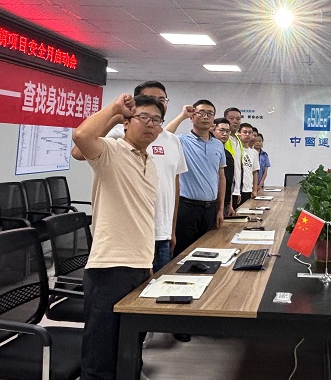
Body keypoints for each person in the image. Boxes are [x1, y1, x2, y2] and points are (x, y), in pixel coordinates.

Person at [73, 93, 165, 380]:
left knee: (130, 348)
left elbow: (143, 216)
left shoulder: (150, 162)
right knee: (101, 356)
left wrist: (147, 263)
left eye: (156, 120)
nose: (150, 124)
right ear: (126, 122)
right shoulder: (111, 152)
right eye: (143, 117)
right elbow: (81, 137)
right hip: (109, 268)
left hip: (139, 265)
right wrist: (114, 109)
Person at [71, 81, 186, 273]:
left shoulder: (153, 157)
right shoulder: (115, 143)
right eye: (144, 115)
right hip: (114, 255)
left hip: (153, 240)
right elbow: (80, 145)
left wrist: (171, 229)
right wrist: (115, 112)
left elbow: (172, 187)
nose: (157, 104)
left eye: (161, 100)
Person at [173, 99, 228, 258]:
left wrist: (220, 209)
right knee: (183, 254)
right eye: (201, 113)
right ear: (192, 117)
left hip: (210, 210)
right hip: (187, 208)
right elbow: (162, 137)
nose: (206, 116)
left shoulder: (218, 145)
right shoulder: (181, 141)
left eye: (210, 114)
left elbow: (221, 177)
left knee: (209, 252)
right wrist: (182, 115)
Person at [212, 117, 235, 217]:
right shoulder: (209, 152)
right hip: (211, 203)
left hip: (225, 204)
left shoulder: (228, 155)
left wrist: (230, 204)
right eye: (221, 130)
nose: (225, 134)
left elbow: (229, 181)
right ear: (212, 130)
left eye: (227, 131)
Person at [223, 107, 245, 209]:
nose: (235, 121)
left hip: (235, 189)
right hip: (226, 189)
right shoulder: (222, 139)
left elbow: (238, 167)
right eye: (231, 118)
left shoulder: (238, 139)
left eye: (238, 119)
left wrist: (237, 191)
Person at [235, 122, 260, 203]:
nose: (247, 134)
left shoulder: (254, 152)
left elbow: (255, 172)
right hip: (236, 189)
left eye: (250, 132)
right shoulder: (236, 149)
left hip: (248, 189)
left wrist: (254, 190)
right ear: (239, 133)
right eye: (245, 132)